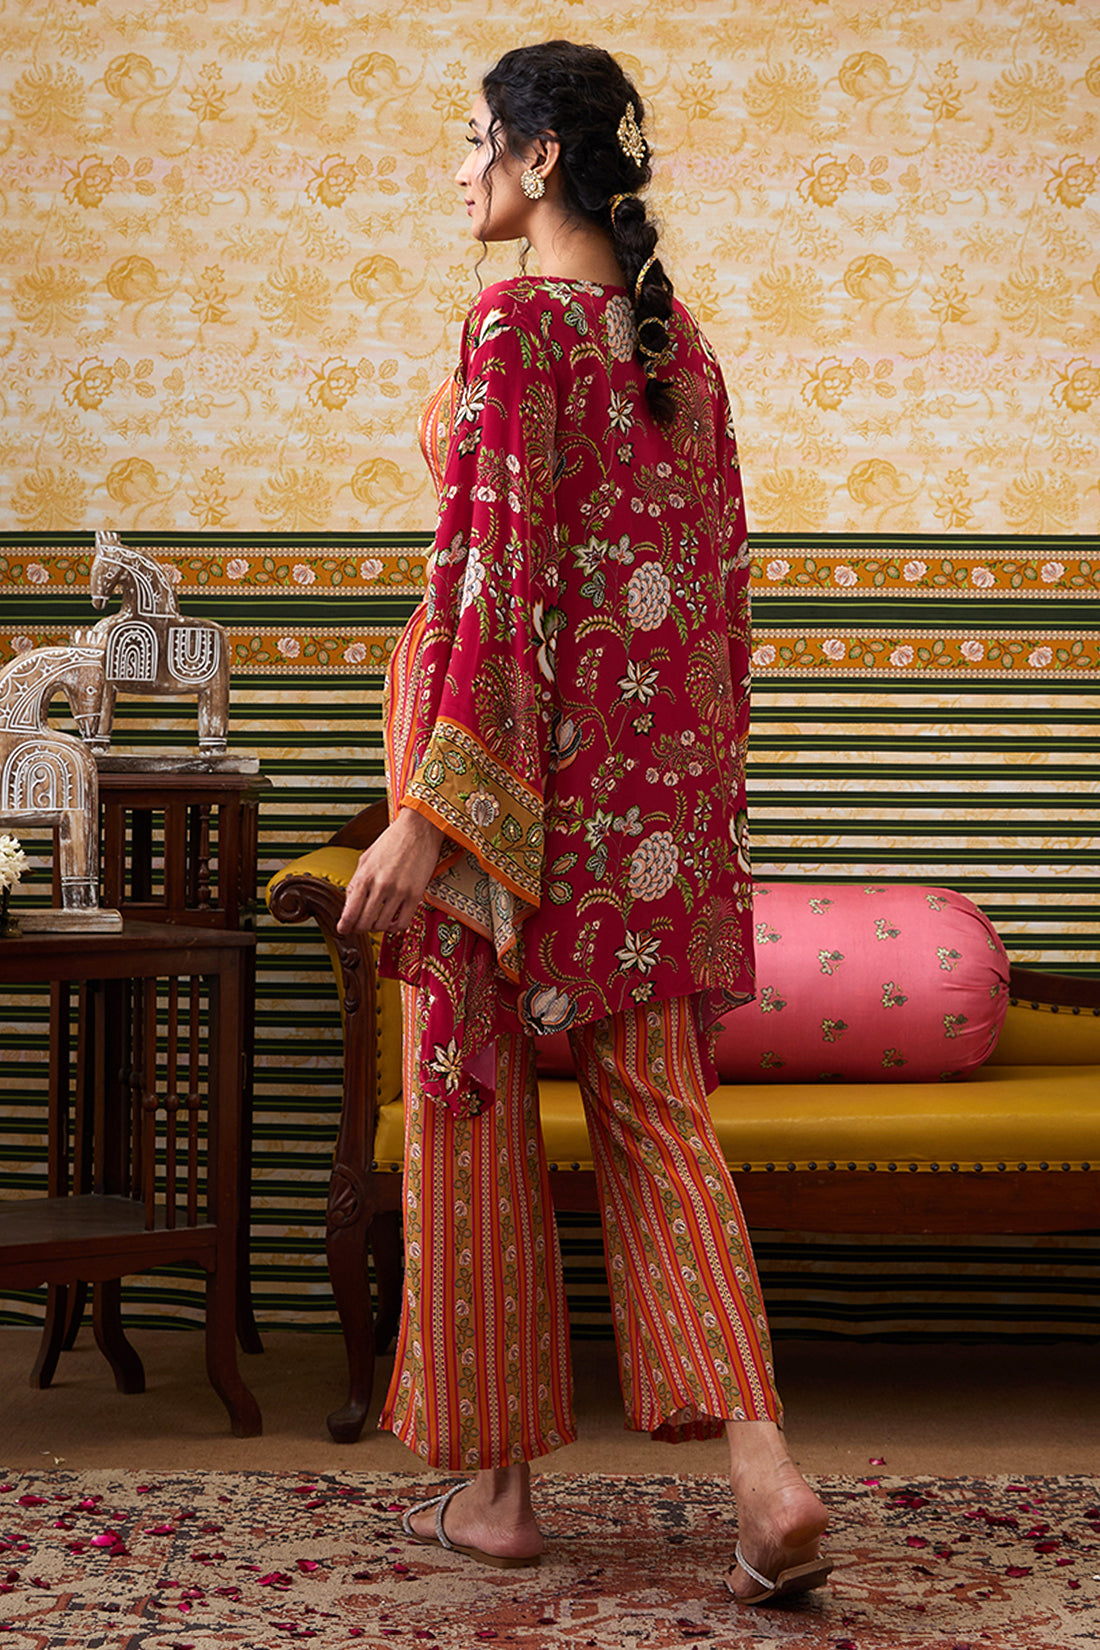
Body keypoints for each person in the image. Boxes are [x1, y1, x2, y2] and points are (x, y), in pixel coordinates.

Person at [338, 40, 831, 1606]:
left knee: (469, 1106)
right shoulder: (680, 343)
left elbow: (497, 576)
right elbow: (720, 603)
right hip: (654, 795)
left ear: (542, 153)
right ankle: (766, 1475)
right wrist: (694, 808)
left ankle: (499, 1495)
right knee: (661, 1122)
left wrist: (433, 815)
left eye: (475, 138)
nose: (460, 169)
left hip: (503, 779)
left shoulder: (515, 324)